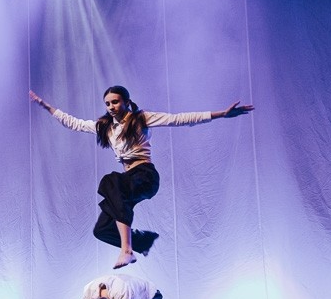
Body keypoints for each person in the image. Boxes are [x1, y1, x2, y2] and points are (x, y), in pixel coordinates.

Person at [29, 87, 253, 269]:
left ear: (127, 102)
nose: (111, 107)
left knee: (111, 181)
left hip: (145, 176)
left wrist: (221, 114)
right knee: (102, 229)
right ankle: (143, 241)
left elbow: (178, 119)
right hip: (128, 182)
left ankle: (127, 250)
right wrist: (45, 106)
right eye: (107, 104)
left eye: (115, 102)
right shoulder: (105, 126)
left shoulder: (140, 118)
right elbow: (74, 123)